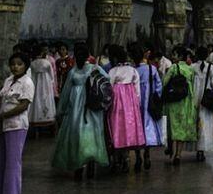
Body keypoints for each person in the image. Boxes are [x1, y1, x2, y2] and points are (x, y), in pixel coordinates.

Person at [52, 43, 109, 180]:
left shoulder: (74, 72)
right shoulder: (95, 69)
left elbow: (65, 93)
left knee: (77, 135)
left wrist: (60, 111)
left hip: (77, 110)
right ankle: (89, 165)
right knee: (91, 135)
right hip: (91, 108)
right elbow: (107, 81)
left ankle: (79, 166)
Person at [0, 52, 33, 194]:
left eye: (19, 64)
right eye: (13, 64)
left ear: (26, 65)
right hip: (4, 125)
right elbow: (2, 100)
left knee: (13, 162)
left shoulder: (27, 82)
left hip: (17, 125)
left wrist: (2, 115)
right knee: (2, 161)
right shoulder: (8, 80)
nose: (15, 67)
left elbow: (23, 105)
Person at [107, 45, 144, 173]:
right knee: (128, 129)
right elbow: (137, 91)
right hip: (131, 105)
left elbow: (109, 88)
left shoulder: (113, 71)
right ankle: (127, 159)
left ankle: (118, 160)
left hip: (117, 104)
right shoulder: (133, 71)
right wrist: (137, 105)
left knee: (117, 128)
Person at [130, 43, 163, 172]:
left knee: (137, 129)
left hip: (136, 105)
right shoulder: (152, 69)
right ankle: (147, 154)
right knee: (147, 127)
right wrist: (157, 96)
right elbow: (159, 87)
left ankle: (138, 156)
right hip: (149, 103)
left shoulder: (133, 70)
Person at [163, 46, 197, 165]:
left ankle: (170, 148)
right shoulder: (190, 69)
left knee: (172, 126)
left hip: (173, 102)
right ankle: (178, 154)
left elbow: (164, 82)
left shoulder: (173, 67)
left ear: (180, 56)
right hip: (186, 102)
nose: (173, 57)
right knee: (181, 128)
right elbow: (192, 87)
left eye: (175, 54)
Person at [194, 48, 213, 162]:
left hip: (195, 98)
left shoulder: (192, 67)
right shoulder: (210, 68)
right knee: (205, 124)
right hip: (207, 100)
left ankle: (196, 148)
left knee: (195, 123)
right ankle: (202, 150)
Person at [28, 45, 56, 126]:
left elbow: (31, 75)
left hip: (35, 83)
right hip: (46, 83)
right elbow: (52, 76)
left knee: (36, 99)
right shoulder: (47, 62)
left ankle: (35, 118)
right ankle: (48, 117)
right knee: (46, 99)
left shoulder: (32, 63)